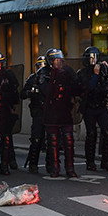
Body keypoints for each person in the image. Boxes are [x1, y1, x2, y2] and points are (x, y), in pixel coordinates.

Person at [40, 48, 83, 178]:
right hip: (51, 111)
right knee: (53, 141)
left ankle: (70, 168)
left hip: (65, 110)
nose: (58, 63)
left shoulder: (68, 71)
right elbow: (45, 90)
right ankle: (54, 168)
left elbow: (77, 87)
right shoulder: (44, 73)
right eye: (55, 60)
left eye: (60, 60)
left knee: (68, 140)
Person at [76, 47, 108, 172]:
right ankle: (90, 161)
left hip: (101, 106)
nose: (94, 61)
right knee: (91, 134)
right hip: (89, 107)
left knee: (107, 132)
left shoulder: (102, 70)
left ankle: (106, 160)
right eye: (91, 58)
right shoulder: (82, 73)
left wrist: (107, 70)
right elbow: (88, 88)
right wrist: (95, 75)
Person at [21, 56, 47, 173]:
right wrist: (30, 92)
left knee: (53, 139)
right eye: (39, 66)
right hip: (38, 111)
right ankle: (33, 163)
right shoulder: (33, 78)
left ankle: (52, 164)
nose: (41, 69)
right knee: (36, 138)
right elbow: (22, 94)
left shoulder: (51, 77)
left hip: (51, 111)